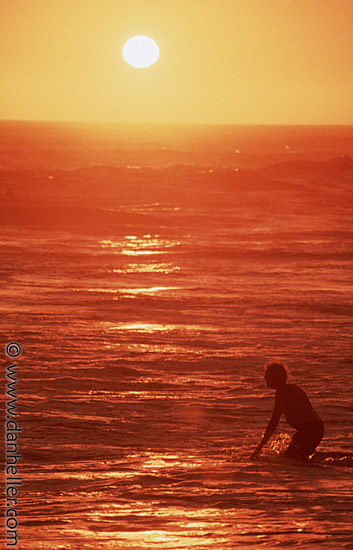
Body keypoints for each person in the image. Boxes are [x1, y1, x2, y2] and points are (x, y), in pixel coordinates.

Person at [251, 361, 324, 461]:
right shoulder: (293, 387)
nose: (265, 378)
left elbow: (274, 421)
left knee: (291, 460)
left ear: (275, 377)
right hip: (317, 428)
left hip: (309, 430)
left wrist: (258, 449)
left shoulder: (282, 392)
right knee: (299, 459)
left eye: (267, 375)